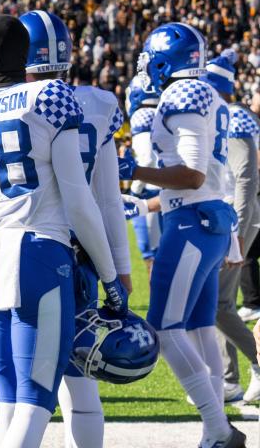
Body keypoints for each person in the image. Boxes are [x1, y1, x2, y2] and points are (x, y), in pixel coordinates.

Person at [0, 13, 126, 448]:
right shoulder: (50, 96)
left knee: (10, 395)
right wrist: (111, 278)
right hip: (41, 252)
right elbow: (80, 202)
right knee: (37, 395)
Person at [119, 23, 247, 448]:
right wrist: (141, 201)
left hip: (192, 221)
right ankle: (218, 426)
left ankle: (217, 428)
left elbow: (191, 175)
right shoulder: (205, 92)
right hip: (204, 219)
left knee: (166, 329)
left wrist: (134, 171)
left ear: (164, 58)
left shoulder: (182, 94)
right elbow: (200, 178)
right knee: (198, 326)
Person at [17, 10, 132, 448]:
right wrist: (118, 269)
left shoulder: (3, 103)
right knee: (80, 384)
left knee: (18, 392)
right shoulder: (97, 104)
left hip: (15, 252)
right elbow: (106, 199)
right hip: (77, 256)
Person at [199, 56, 260, 403]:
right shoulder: (226, 114)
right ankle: (228, 379)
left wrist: (236, 232)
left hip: (238, 219)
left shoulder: (234, 117)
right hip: (232, 217)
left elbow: (246, 179)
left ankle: (255, 361)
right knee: (219, 302)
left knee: (218, 304)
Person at [125, 75, 161, 271]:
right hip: (166, 187)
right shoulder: (162, 113)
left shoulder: (142, 115)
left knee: (151, 255)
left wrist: (135, 189)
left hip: (150, 191)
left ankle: (159, 302)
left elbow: (146, 158)